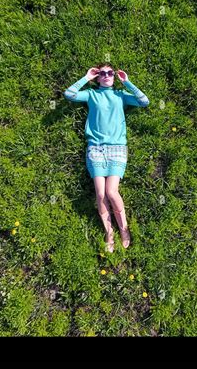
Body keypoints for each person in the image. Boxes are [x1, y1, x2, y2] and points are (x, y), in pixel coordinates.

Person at [63, 62, 149, 253]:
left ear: (114, 76)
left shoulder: (120, 96)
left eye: (110, 73)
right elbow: (69, 94)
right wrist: (86, 78)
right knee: (100, 194)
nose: (107, 76)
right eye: (102, 74)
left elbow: (144, 101)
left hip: (117, 148)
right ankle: (109, 232)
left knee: (111, 192)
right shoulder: (92, 94)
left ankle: (124, 229)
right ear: (98, 77)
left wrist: (127, 82)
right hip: (95, 149)